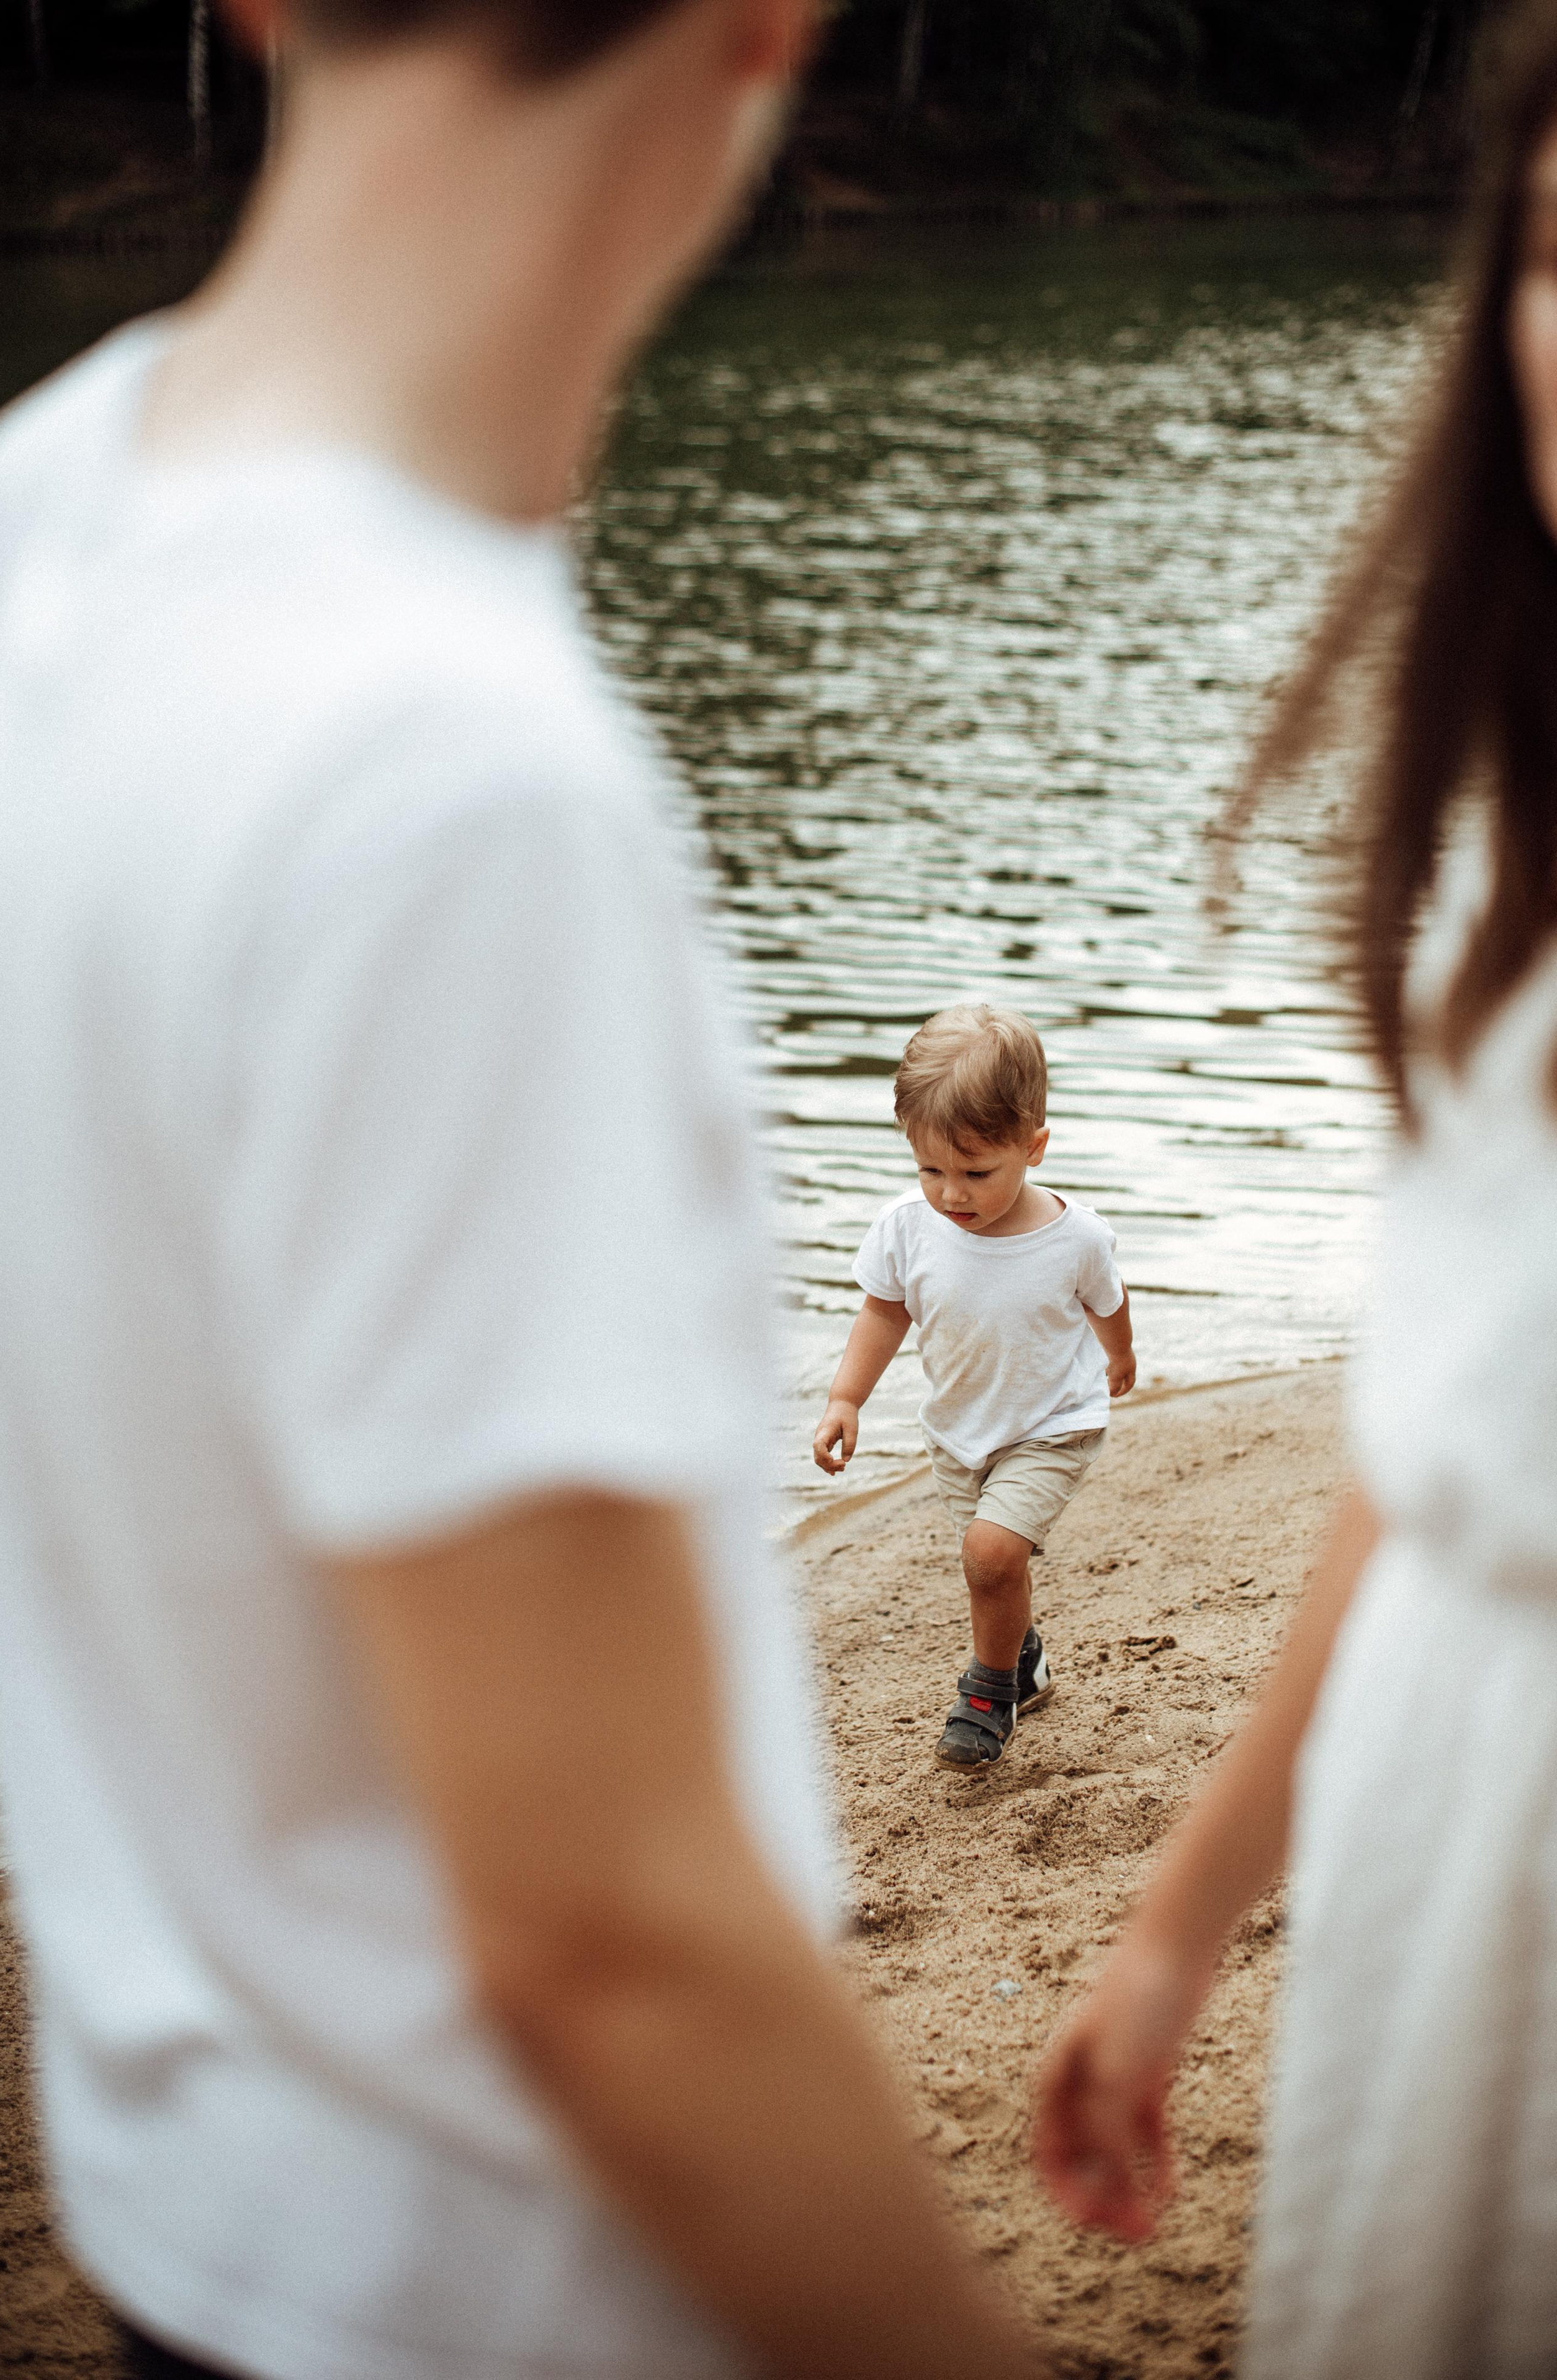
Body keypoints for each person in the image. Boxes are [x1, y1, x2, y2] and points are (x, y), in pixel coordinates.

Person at [0, 5, 1049, 2378]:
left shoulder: (32, 510)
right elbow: (603, 1935)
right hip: (500, 2292)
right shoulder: (443, 781)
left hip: (196, 2202)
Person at [1033, 5, 1557, 2372]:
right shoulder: (1492, 922)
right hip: (1442, 1860)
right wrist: (1172, 1918)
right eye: (1548, 249)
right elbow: (1427, 1462)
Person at [812, 1004, 1136, 1772]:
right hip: (960, 1431)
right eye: (930, 1170)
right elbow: (884, 1313)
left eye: (976, 1172)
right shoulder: (905, 1227)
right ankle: (1024, 1661)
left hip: (1053, 1424)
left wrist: (1119, 1359)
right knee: (991, 1565)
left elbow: (1108, 1302)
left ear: (1034, 1147)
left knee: (990, 1557)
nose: (951, 1194)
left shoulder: (1074, 1237)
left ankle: (989, 1692)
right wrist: (845, 1398)